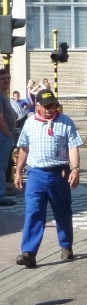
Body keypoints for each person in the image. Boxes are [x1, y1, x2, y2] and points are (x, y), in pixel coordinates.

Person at [14, 89, 83, 268]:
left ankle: (66, 245)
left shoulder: (66, 122)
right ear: (37, 106)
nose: (51, 108)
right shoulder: (29, 123)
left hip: (59, 173)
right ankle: (29, 252)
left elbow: (73, 147)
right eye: (47, 106)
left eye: (53, 104)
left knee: (63, 211)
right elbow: (23, 148)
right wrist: (18, 171)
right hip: (35, 174)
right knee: (33, 211)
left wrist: (75, 169)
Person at [0, 69, 17, 206]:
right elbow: (0, 118)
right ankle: (1, 196)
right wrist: (8, 135)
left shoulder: (4, 96)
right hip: (3, 135)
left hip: (5, 134)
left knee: (4, 166)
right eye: (3, 79)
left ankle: (3, 190)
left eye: (8, 78)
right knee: (1, 167)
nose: (6, 81)